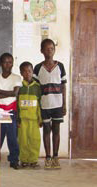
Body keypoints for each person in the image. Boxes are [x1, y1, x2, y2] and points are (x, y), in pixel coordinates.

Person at [33, 39, 67, 170]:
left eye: (52, 48)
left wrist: (64, 104)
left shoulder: (60, 66)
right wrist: (37, 107)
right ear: (41, 51)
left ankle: (56, 157)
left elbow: (63, 86)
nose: (49, 51)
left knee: (56, 130)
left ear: (55, 50)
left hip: (57, 104)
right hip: (44, 104)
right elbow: (36, 88)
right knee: (46, 130)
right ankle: (47, 157)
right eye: (46, 49)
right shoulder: (37, 68)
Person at [0, 53, 22, 169]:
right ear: (0, 63)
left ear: (13, 63)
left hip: (11, 111)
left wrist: (0, 91)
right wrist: (9, 92)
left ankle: (14, 160)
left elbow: (15, 93)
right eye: (5, 62)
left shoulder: (17, 78)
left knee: (13, 138)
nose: (7, 64)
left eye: (10, 62)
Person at [17, 61, 42, 169]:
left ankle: (33, 160)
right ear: (21, 73)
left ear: (33, 72)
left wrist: (40, 119)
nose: (27, 74)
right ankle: (24, 160)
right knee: (22, 140)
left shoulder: (37, 87)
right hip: (22, 120)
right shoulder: (19, 87)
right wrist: (17, 118)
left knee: (35, 140)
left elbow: (40, 104)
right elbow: (16, 104)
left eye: (29, 71)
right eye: (25, 71)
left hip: (34, 120)